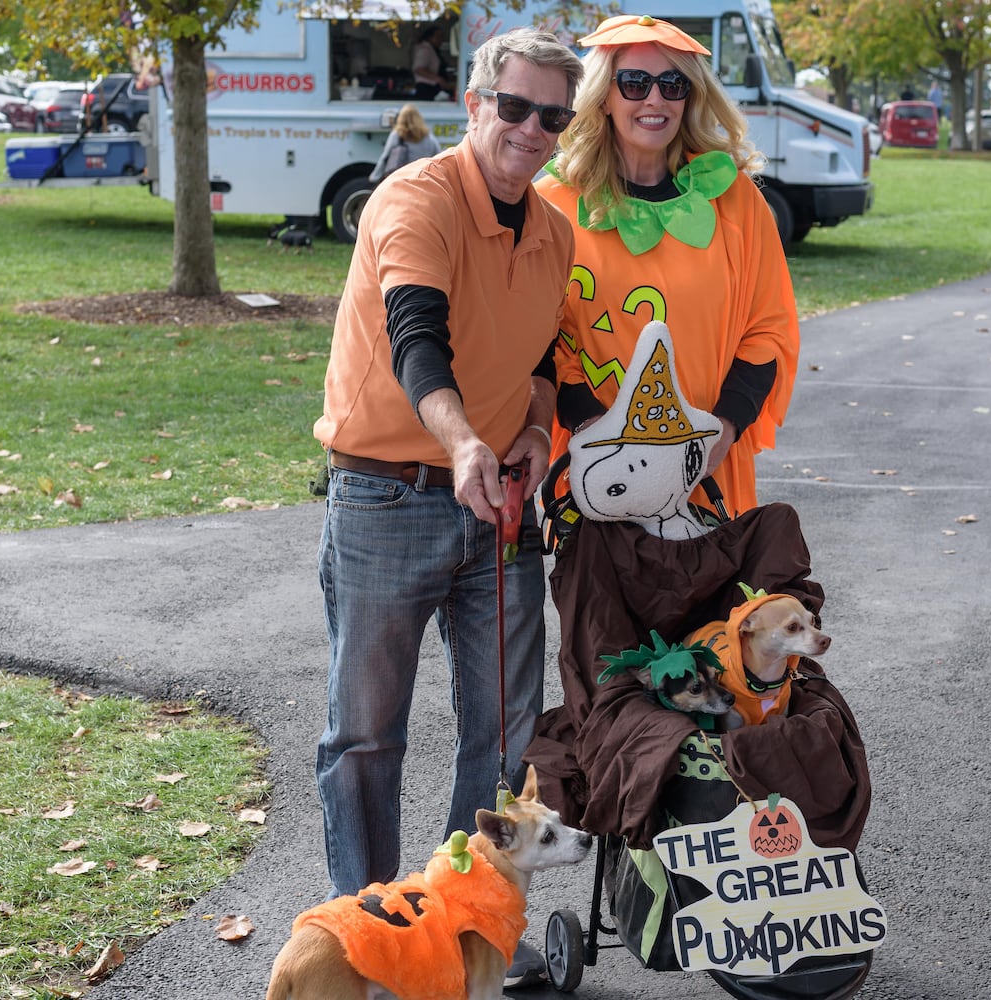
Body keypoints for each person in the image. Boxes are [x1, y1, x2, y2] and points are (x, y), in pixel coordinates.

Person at [311, 26, 582, 988]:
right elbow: (415, 338)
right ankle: (374, 936)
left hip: (498, 509)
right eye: (515, 107)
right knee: (367, 729)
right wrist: (463, 439)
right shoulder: (413, 199)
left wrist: (535, 437)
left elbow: (547, 358)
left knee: (505, 732)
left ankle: (472, 932)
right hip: (388, 495)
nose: (532, 129)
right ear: (475, 104)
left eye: (553, 114)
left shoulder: (553, 229)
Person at [536, 13, 800, 516]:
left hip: (709, 469)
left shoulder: (735, 201)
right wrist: (592, 429)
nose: (654, 100)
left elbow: (768, 329)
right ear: (604, 96)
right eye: (634, 83)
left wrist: (720, 433)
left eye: (672, 84)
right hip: (599, 475)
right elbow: (538, 338)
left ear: (691, 96)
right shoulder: (552, 204)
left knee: (719, 594)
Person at [368, 103, 440, 182]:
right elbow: (437, 159)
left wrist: (375, 176)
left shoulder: (397, 135)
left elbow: (385, 157)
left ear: (401, 118)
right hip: (421, 179)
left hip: (401, 179)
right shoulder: (429, 137)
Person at [411, 24, 451, 102]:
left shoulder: (431, 49)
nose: (441, 39)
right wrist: (439, 79)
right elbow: (419, 69)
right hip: (425, 88)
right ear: (429, 37)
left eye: (441, 37)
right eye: (438, 37)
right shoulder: (425, 49)